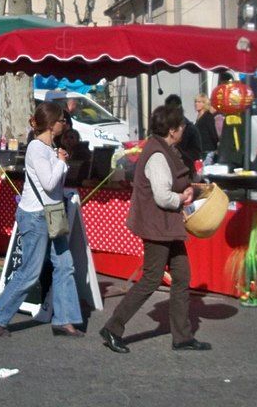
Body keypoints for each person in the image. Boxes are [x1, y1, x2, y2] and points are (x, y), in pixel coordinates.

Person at [99, 104, 211, 354]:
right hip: (157, 225)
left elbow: (174, 186)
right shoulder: (158, 155)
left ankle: (182, 336)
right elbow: (162, 197)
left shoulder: (166, 149)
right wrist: (183, 198)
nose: (183, 129)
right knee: (151, 278)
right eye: (181, 125)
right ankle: (113, 327)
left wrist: (188, 190)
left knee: (182, 276)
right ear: (172, 130)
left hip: (167, 225)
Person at [0, 101, 83, 338]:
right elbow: (50, 183)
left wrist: (59, 159)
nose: (65, 124)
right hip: (36, 216)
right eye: (62, 120)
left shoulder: (50, 149)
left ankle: (65, 319)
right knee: (30, 271)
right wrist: (61, 163)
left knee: (64, 265)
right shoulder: (36, 149)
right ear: (51, 124)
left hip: (52, 213)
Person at [164, 94, 203, 169]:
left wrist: (178, 153)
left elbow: (196, 155)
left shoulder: (190, 129)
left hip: (185, 170)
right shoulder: (163, 127)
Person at [194, 94, 221, 163]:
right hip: (201, 150)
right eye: (196, 102)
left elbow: (213, 133)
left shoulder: (208, 116)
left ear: (204, 104)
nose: (196, 104)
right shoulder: (199, 117)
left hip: (208, 150)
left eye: (199, 102)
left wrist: (216, 146)